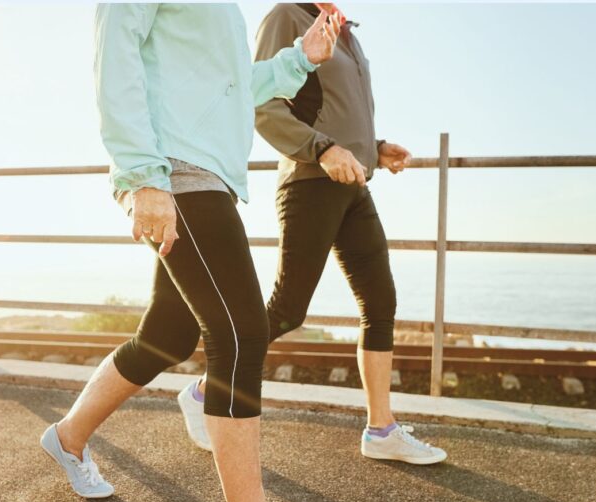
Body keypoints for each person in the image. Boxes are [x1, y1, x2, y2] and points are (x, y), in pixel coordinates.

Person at [40, 3, 349, 502]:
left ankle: (68, 437)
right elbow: (116, 59)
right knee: (240, 334)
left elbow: (231, 85)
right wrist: (142, 175)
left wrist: (297, 61)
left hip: (207, 173)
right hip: (176, 171)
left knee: (168, 334)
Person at [177, 3, 448, 465]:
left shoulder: (347, 31)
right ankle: (205, 391)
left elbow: (333, 107)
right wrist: (321, 149)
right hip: (309, 182)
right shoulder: (287, 16)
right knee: (288, 309)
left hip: (354, 183)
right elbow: (259, 101)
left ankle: (381, 430)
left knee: (380, 304)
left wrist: (374, 148)